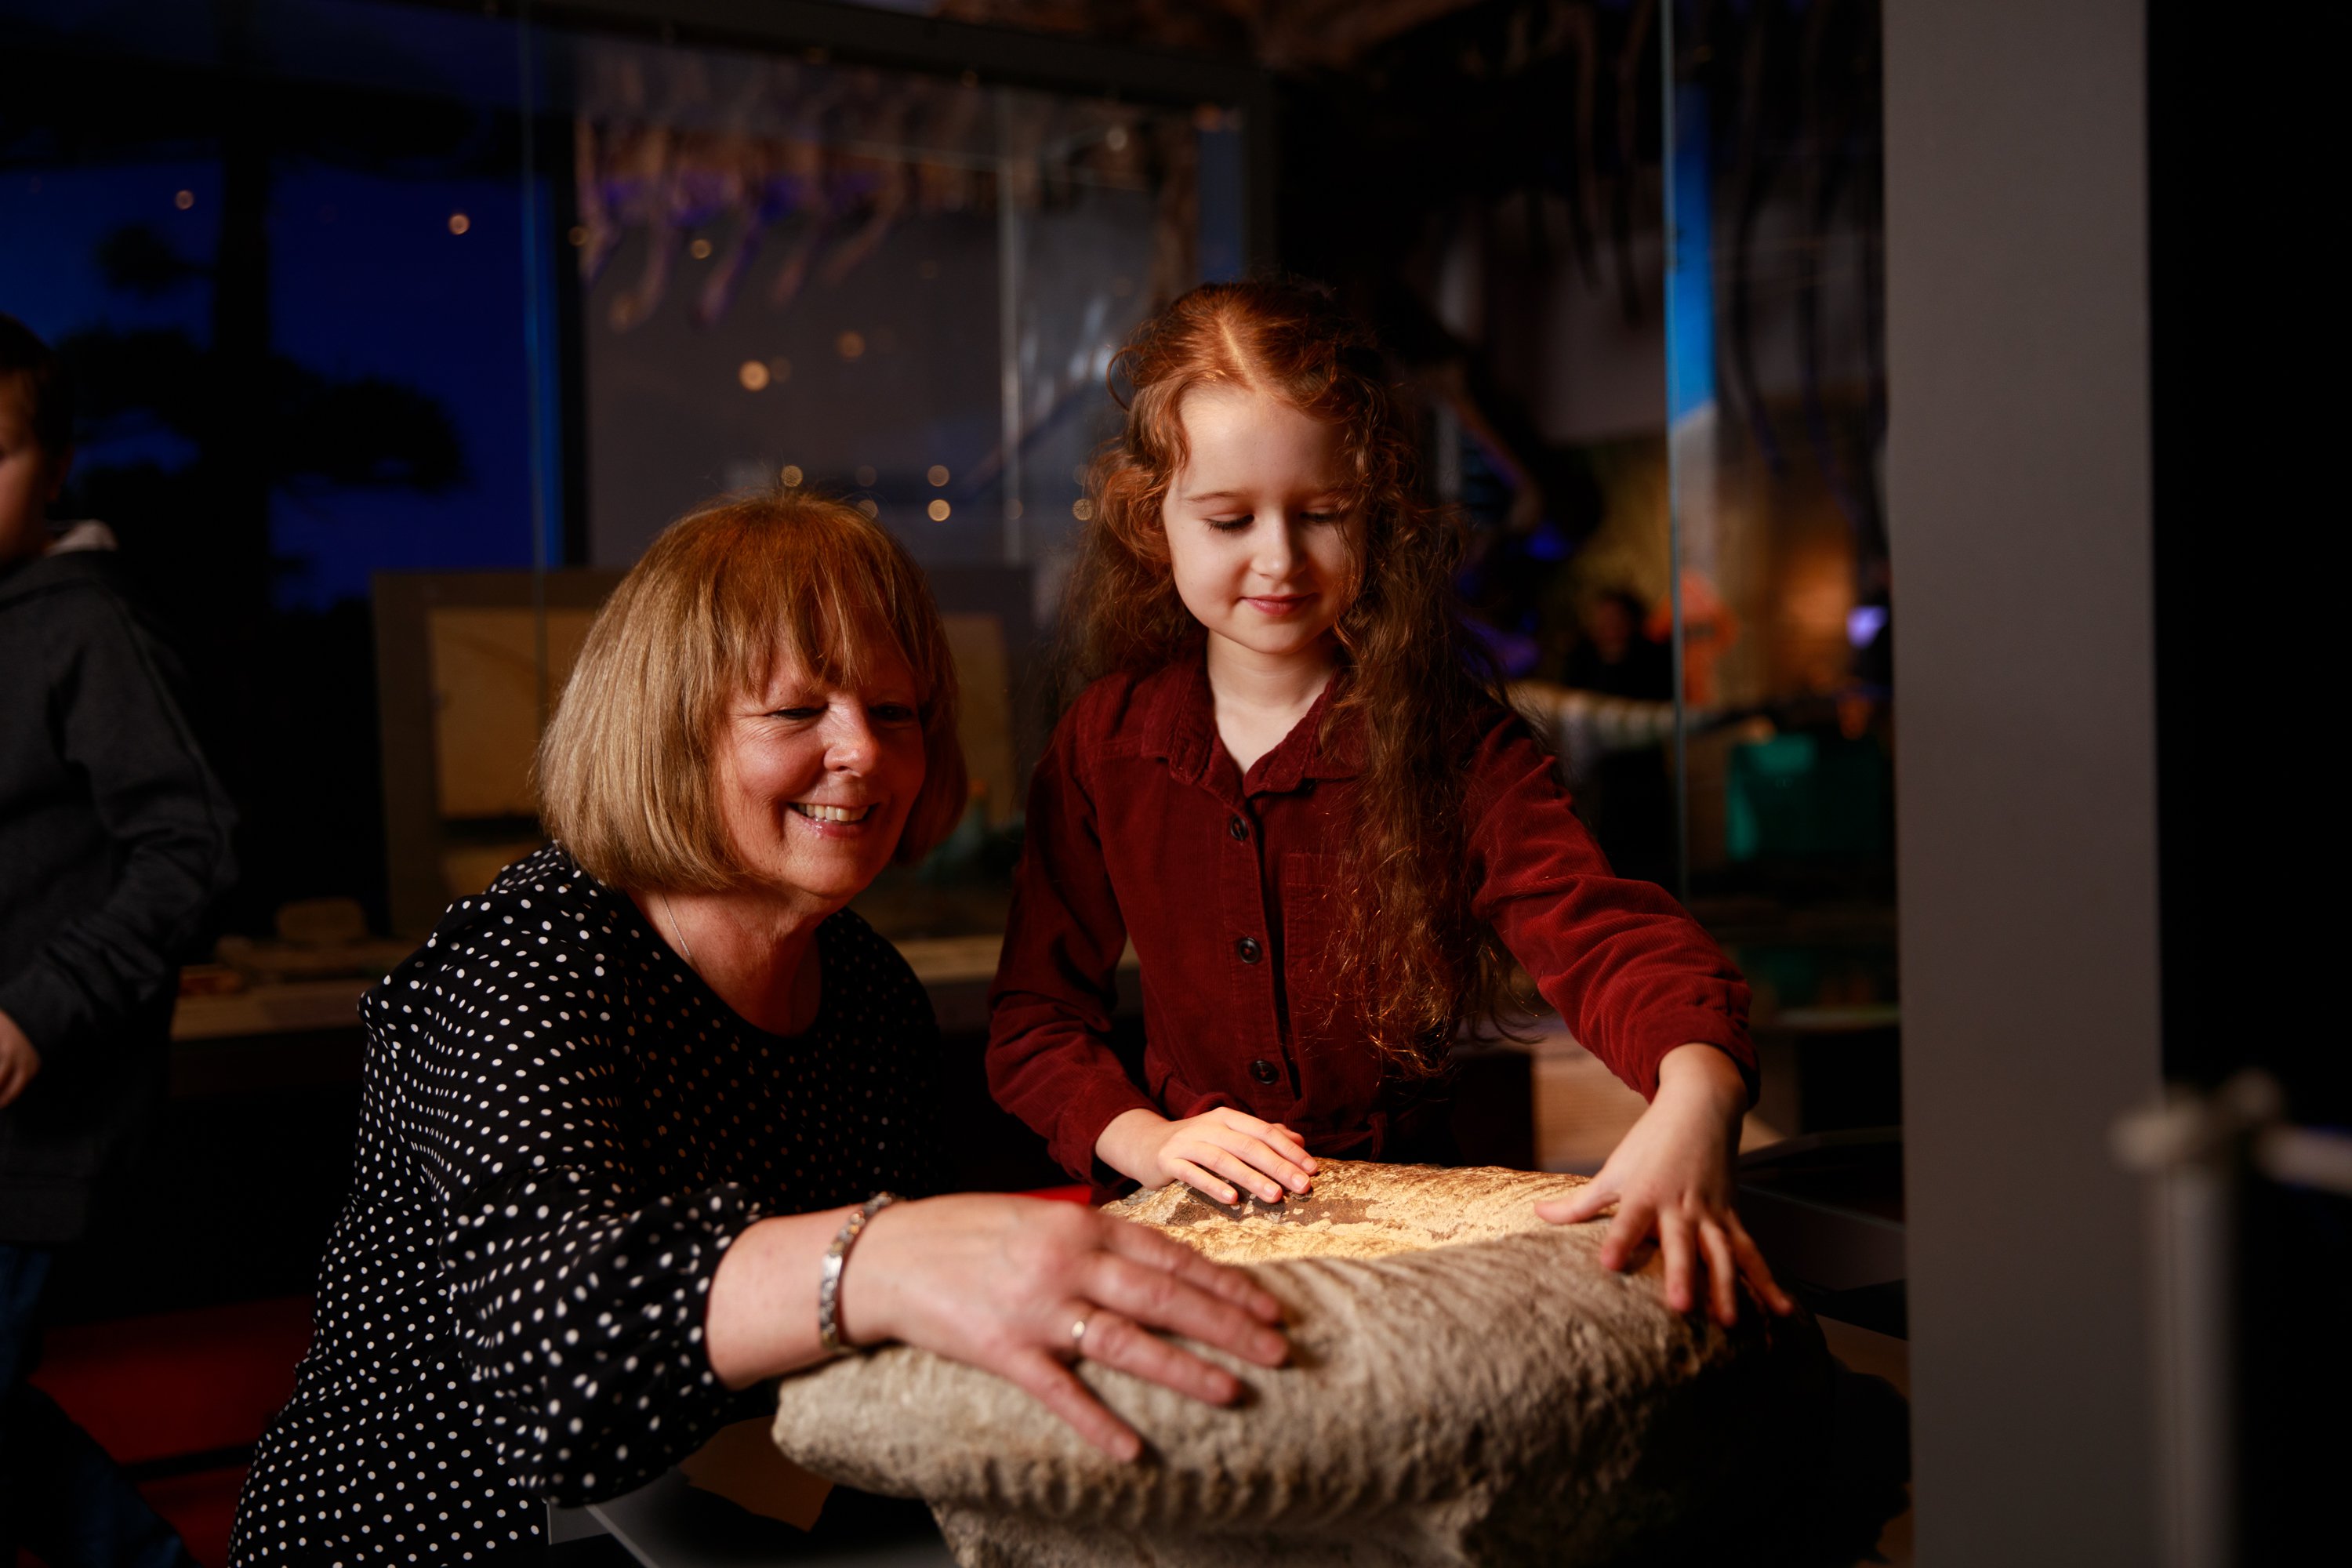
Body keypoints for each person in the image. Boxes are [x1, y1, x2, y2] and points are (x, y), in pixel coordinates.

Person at [229, 491, 1287, 1566]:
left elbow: (874, 1382)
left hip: (720, 1525)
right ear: (668, 729)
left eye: (896, 711)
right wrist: (882, 1259)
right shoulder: (526, 958)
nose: (863, 755)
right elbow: (555, 1363)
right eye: (796, 714)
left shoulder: (868, 988)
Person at [985, 281, 1793, 1327]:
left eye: (1320, 515)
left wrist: (1696, 1093)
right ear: (1155, 523)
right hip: (1176, 1219)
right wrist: (1146, 1137)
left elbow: (1607, 940)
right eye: (1229, 518)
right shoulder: (1101, 742)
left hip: (1409, 1238)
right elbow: (1035, 1019)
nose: (1278, 559)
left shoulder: (1451, 743)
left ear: (1374, 515)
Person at [1, 314, 234, 1566]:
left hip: (28, 1125)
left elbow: (194, 847)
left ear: (55, 466)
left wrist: (43, 1006)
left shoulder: (83, 625)